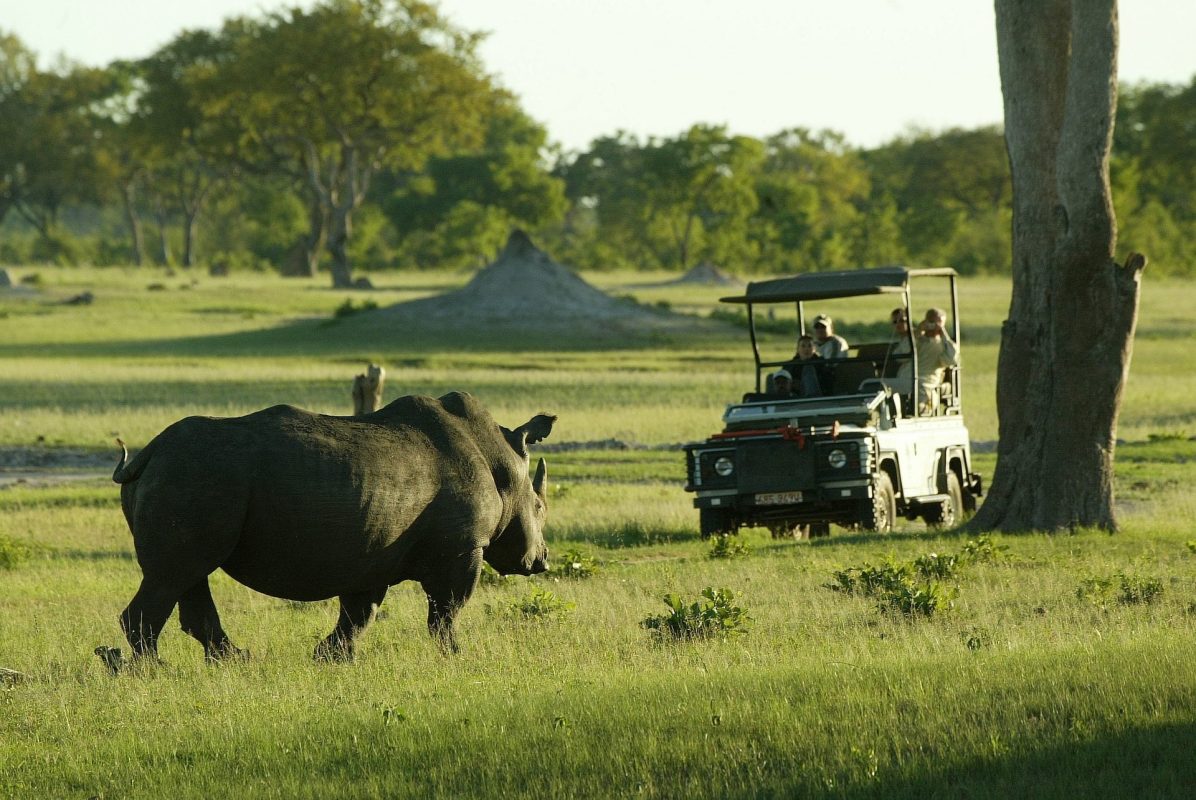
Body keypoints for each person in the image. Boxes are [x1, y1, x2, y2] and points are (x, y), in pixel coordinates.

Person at [888, 307, 959, 413]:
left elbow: (952, 359)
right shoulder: (915, 339)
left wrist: (943, 335)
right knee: (875, 386)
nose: (934, 326)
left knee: (920, 404)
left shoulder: (944, 345)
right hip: (904, 382)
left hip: (924, 386)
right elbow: (900, 356)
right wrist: (917, 333)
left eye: (938, 323)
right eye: (931, 322)